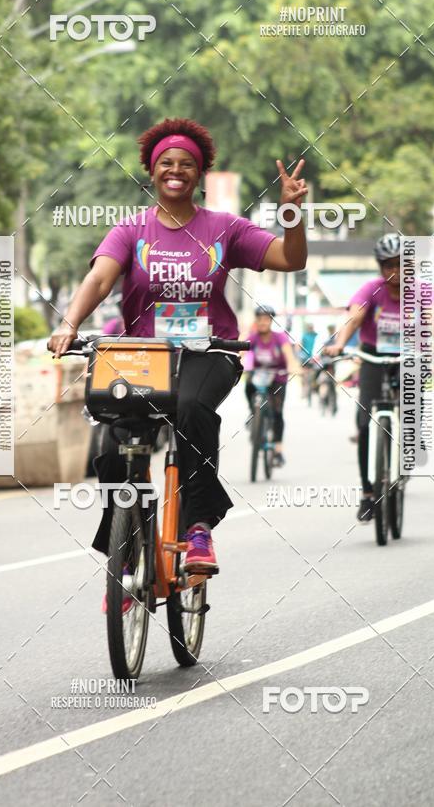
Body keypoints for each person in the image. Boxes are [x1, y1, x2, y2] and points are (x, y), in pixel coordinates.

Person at [48, 117, 308, 580]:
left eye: (186, 163)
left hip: (209, 352)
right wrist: (70, 324)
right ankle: (125, 536)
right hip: (143, 356)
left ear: (199, 173)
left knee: (190, 409)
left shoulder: (225, 228)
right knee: (113, 444)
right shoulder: (130, 230)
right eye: (166, 162)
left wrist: (290, 214)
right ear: (151, 171)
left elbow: (290, 259)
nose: (176, 170)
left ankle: (199, 526)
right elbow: (100, 278)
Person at [324, 232, 434, 523]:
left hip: (410, 357)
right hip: (374, 357)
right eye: (387, 265)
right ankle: (368, 492)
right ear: (380, 267)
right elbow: (354, 317)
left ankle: (411, 439)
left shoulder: (423, 291)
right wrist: (340, 344)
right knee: (364, 421)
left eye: (400, 264)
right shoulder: (371, 289)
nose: (394, 272)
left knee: (412, 409)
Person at [245, 305, 298, 466]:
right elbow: (242, 351)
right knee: (248, 386)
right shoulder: (253, 337)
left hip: (278, 377)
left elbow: (288, 354)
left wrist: (293, 366)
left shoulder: (280, 337)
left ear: (271, 321)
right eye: (259, 319)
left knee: (277, 412)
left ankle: (278, 450)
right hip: (258, 374)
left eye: (266, 319)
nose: (262, 322)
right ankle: (253, 413)